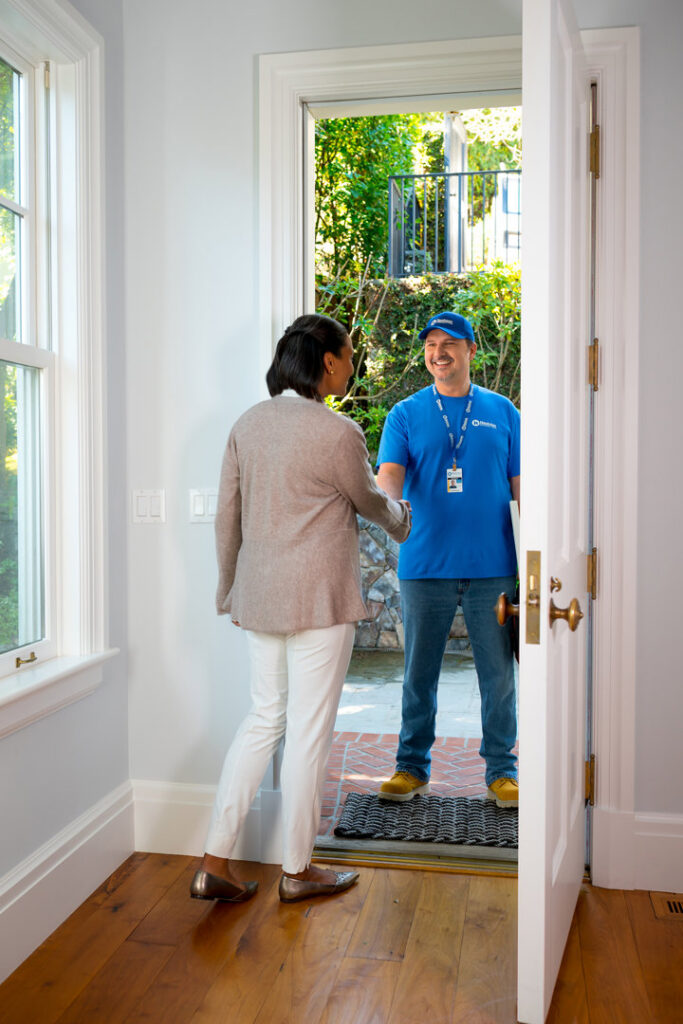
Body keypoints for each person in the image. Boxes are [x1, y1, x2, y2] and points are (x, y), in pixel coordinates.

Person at [190, 313, 411, 905]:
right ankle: (298, 869)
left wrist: (228, 591)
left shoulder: (247, 424)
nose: (352, 362)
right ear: (328, 362)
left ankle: (214, 860)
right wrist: (405, 520)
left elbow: (226, 518)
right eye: (348, 353)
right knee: (309, 734)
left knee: (264, 720)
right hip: (318, 599)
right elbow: (370, 501)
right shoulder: (337, 432)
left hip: (258, 597)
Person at [375, 311, 520, 808]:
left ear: (471, 350)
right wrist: (386, 506)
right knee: (419, 674)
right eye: (431, 344)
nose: (438, 352)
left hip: (494, 566)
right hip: (425, 565)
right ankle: (411, 768)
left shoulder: (503, 412)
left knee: (497, 677)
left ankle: (501, 771)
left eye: (450, 344)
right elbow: (390, 475)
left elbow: (522, 487)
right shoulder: (405, 414)